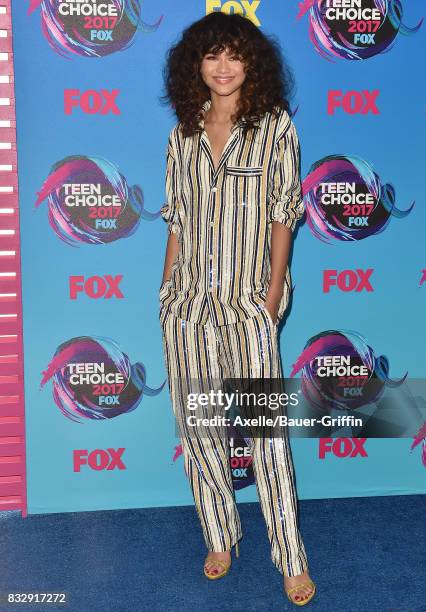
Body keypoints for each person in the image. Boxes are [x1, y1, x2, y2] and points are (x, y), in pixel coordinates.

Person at [158, 11, 316, 606]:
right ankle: (220, 535)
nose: (222, 67)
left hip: (248, 303)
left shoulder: (275, 127)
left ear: (252, 64)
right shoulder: (183, 129)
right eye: (211, 55)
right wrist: (166, 287)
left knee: (267, 433)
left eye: (234, 55)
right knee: (198, 426)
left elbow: (284, 214)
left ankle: (290, 558)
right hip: (188, 303)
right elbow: (176, 216)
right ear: (195, 65)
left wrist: (272, 297)